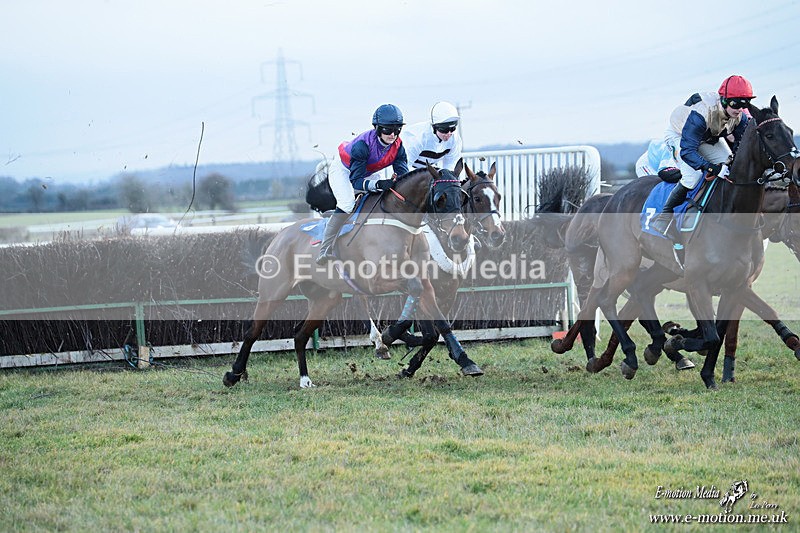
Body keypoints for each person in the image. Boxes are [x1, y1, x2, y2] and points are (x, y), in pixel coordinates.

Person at [649, 75, 754, 238]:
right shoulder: (701, 113)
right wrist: (713, 168)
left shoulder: (740, 117)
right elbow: (688, 152)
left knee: (729, 164)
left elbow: (740, 148)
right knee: (693, 176)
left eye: (744, 104)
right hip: (680, 136)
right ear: (724, 100)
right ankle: (664, 216)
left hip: (707, 137)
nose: (740, 109)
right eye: (736, 103)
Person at [317, 104, 409, 264]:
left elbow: (403, 175)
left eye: (397, 129)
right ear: (377, 128)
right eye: (388, 130)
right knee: (347, 204)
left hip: (368, 170)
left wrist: (398, 182)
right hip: (345, 170)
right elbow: (357, 182)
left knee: (381, 199)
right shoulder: (362, 146)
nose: (393, 134)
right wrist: (379, 184)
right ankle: (325, 248)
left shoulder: (398, 146)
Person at [401, 101, 463, 171]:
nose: (449, 133)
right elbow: (404, 167)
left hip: (427, 169)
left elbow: (451, 165)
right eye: (444, 130)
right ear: (434, 127)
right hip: (406, 167)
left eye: (452, 129)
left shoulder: (454, 138)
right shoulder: (417, 138)